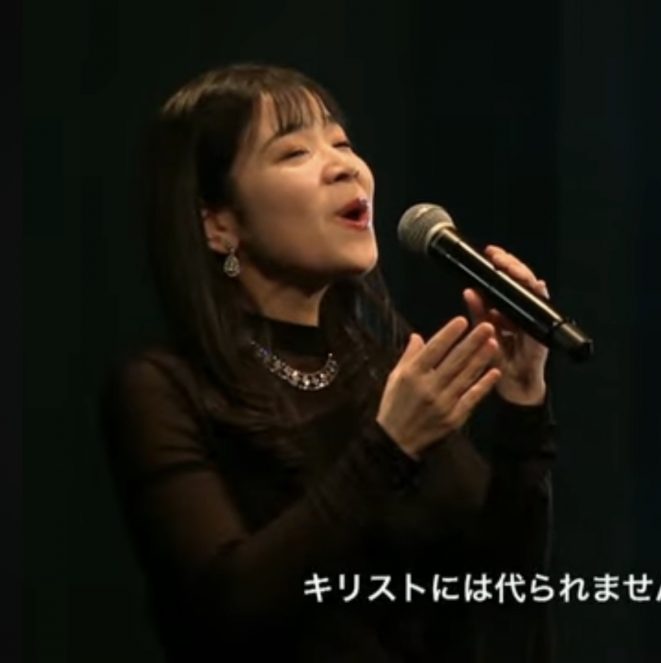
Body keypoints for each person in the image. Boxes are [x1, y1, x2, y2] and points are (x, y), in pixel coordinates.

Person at [100, 63, 558, 662]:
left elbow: (503, 592)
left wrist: (524, 406)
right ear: (219, 224)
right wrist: (389, 447)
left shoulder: (381, 366)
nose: (346, 166)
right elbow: (223, 610)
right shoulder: (163, 388)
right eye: (295, 152)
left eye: (341, 143)